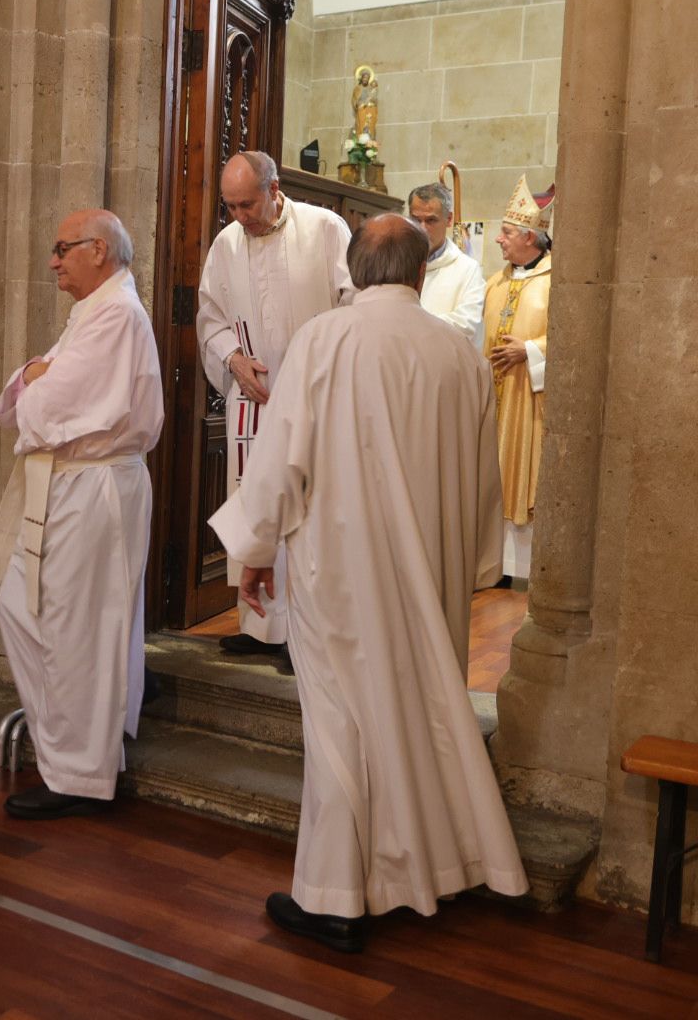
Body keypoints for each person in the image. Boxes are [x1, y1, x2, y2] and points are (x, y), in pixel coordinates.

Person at [210, 214, 527, 953]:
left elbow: (281, 458)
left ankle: (334, 896)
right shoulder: (461, 355)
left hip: (341, 568)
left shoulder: (324, 338)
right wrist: (477, 567)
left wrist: (254, 551)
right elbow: (484, 480)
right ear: (421, 275)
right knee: (417, 714)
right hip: (431, 570)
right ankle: (428, 866)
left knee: (341, 724)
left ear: (356, 271)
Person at [0, 209, 163, 820]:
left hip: (94, 484)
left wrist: (34, 378)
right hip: (70, 482)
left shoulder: (115, 314)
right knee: (28, 609)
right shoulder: (93, 312)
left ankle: (80, 773)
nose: (53, 261)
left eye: (62, 249)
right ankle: (78, 745)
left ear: (98, 250)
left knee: (80, 629)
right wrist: (33, 374)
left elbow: (47, 400)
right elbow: (23, 390)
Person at [195, 151, 354, 660]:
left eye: (247, 204)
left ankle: (304, 634)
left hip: (314, 401)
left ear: (275, 188)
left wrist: (318, 371)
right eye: (231, 207)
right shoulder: (226, 244)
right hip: (256, 401)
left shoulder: (325, 229)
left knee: (306, 514)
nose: (240, 217)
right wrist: (234, 360)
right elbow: (210, 318)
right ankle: (260, 625)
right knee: (257, 504)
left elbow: (353, 306)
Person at [482, 175, 554, 580]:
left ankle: (522, 569)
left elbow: (571, 338)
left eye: (507, 232)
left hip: (529, 402)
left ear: (530, 238)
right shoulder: (495, 282)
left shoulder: (557, 282)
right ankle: (493, 564)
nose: (499, 239)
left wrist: (528, 350)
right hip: (494, 399)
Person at [408, 182, 486, 349]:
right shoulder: (397, 261)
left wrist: (412, 323)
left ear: (449, 219)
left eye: (431, 220)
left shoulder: (467, 269)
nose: (422, 228)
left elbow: (466, 324)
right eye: (416, 219)